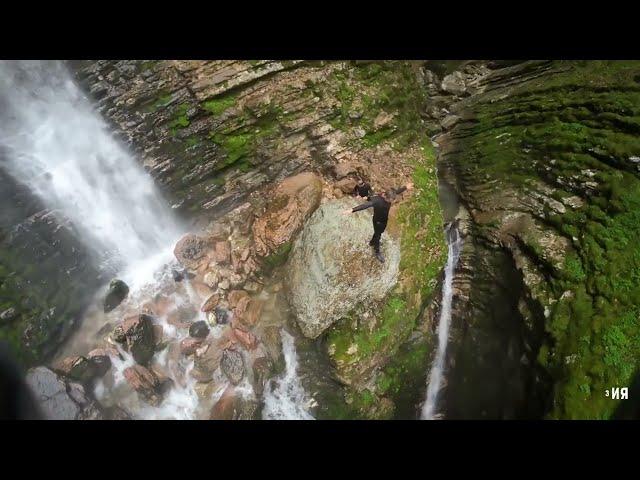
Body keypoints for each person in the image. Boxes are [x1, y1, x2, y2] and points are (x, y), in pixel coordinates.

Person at [343, 182, 414, 262]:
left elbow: (396, 192)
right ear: (386, 197)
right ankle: (377, 251)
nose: (392, 201)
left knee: (377, 233)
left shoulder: (386, 194)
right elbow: (365, 206)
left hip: (383, 219)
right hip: (378, 221)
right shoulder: (378, 201)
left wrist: (406, 187)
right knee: (378, 235)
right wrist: (352, 210)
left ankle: (372, 242)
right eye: (391, 200)